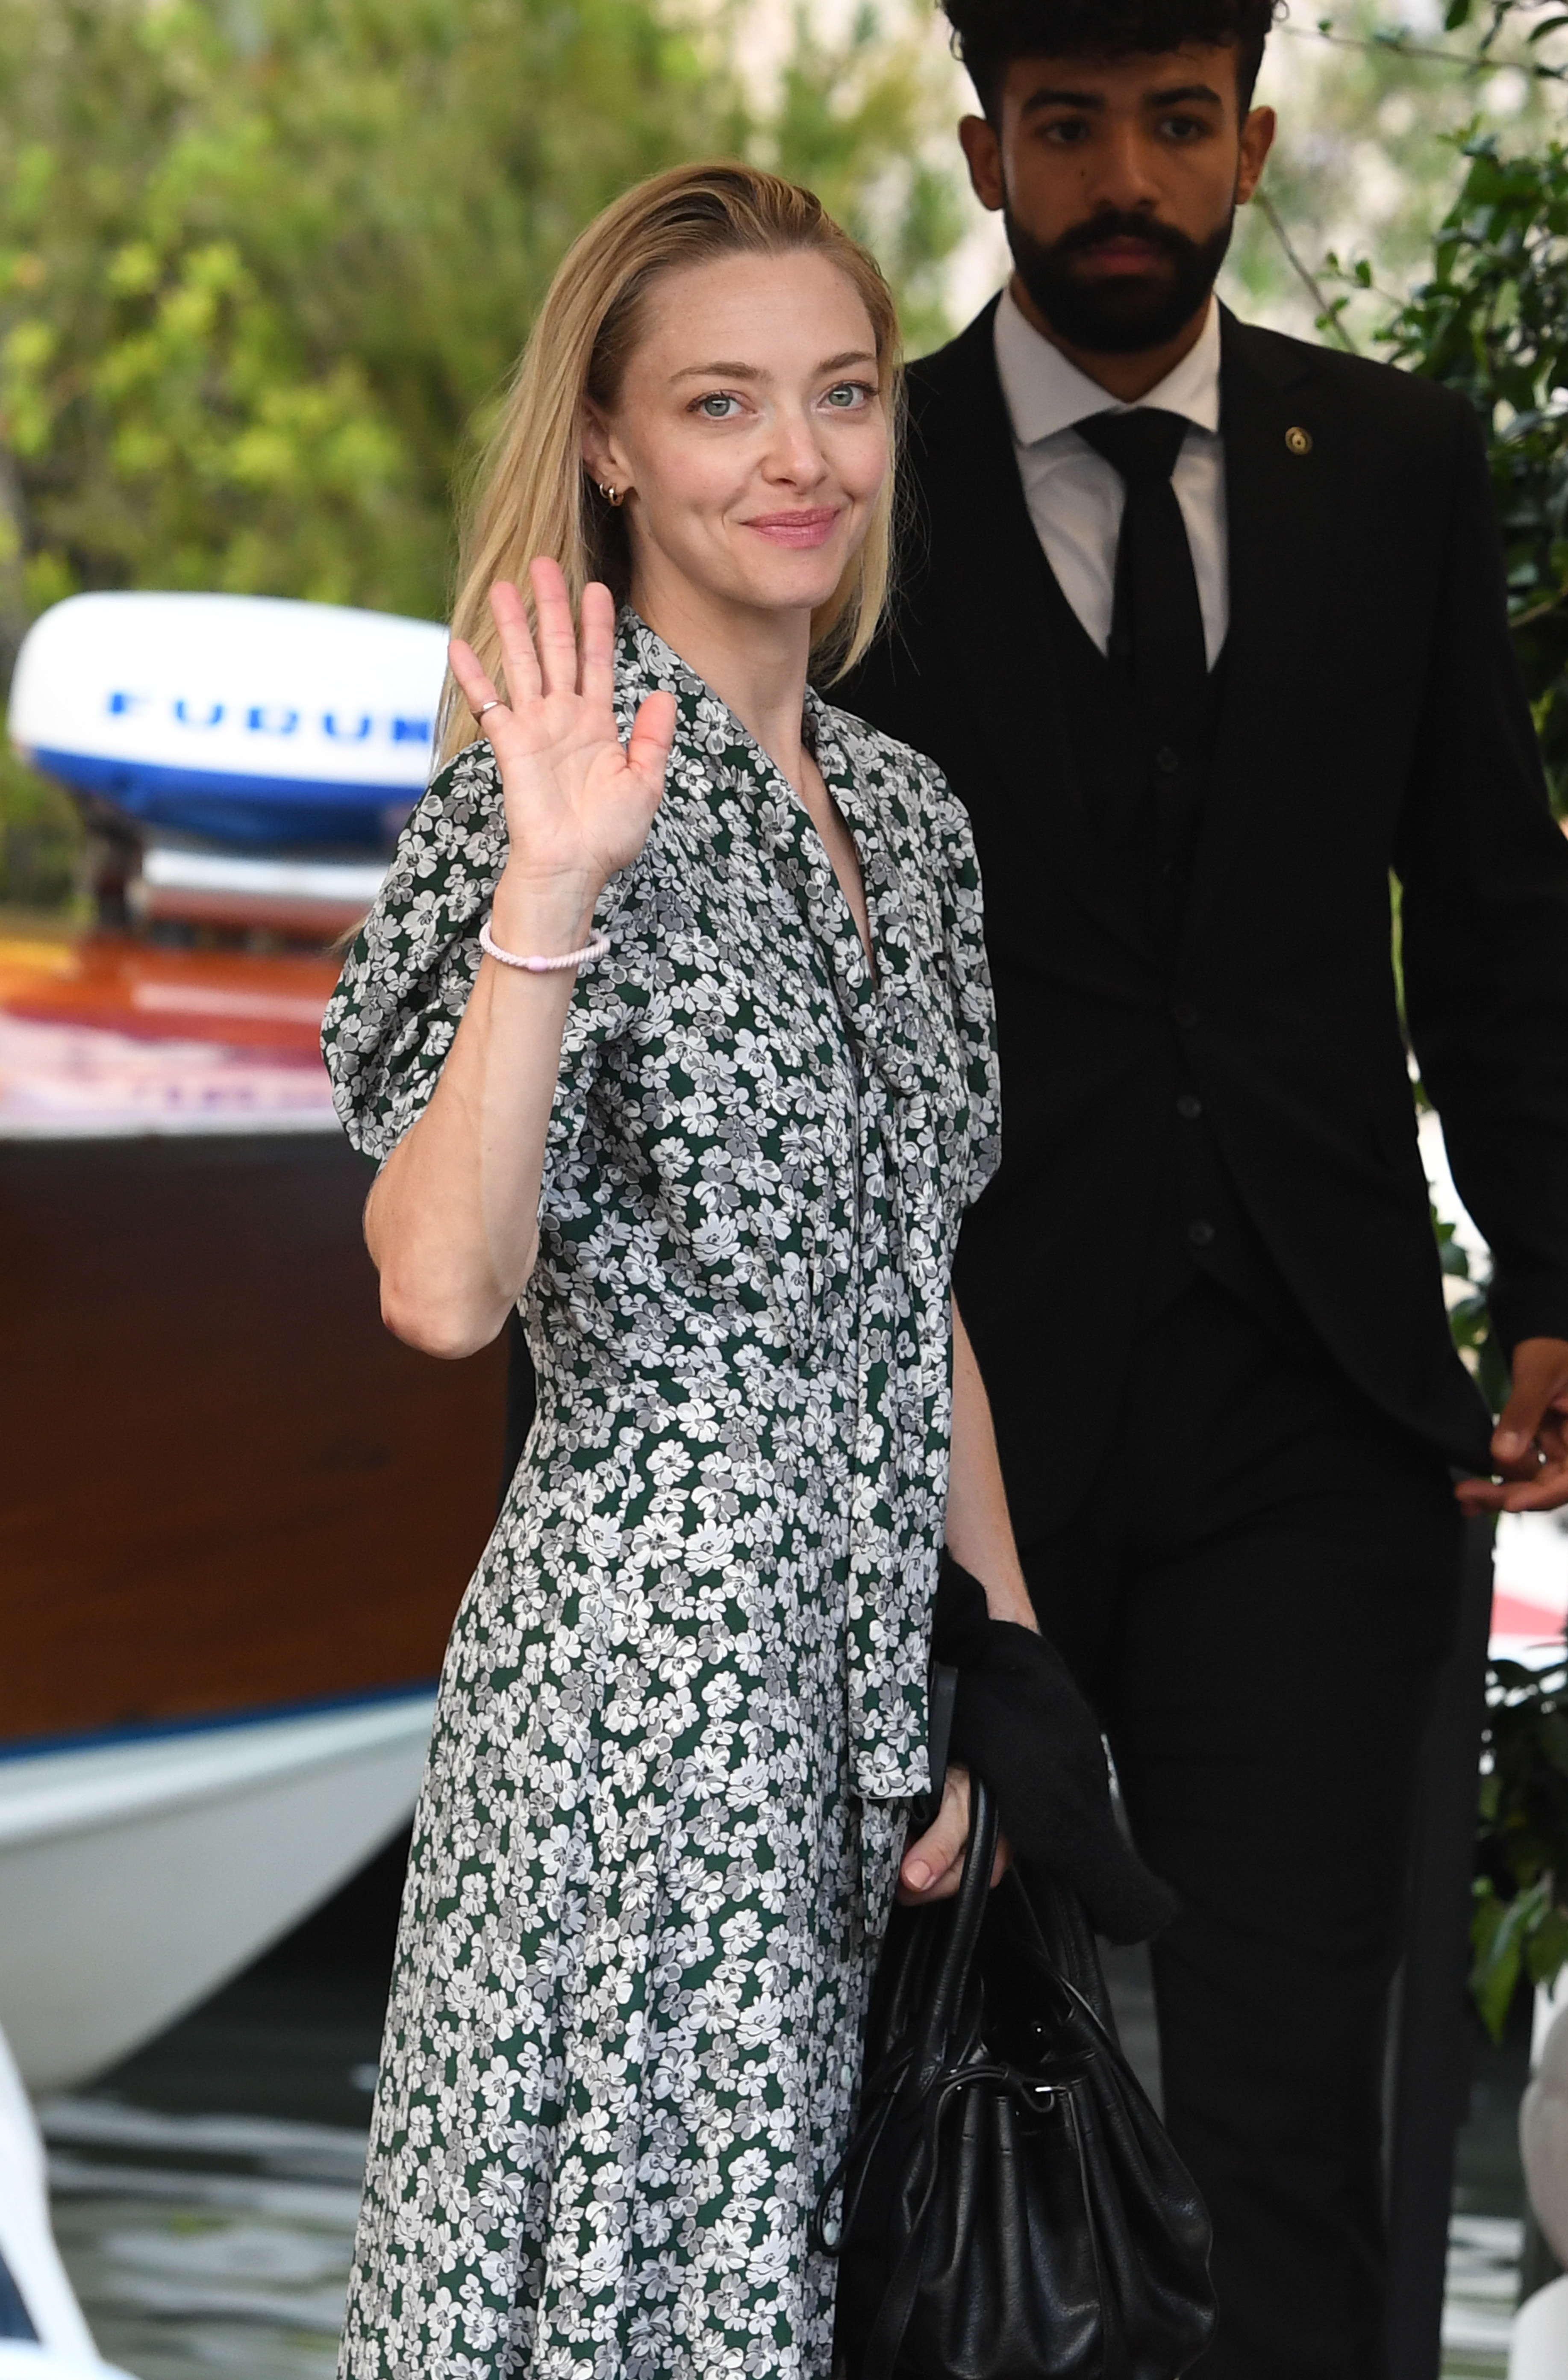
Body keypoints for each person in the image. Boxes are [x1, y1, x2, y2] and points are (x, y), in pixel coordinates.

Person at [835, 2, 1568, 2373]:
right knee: (920, 2061)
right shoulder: (862, 481)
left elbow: (1487, 909)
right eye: (1073, 132)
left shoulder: (1392, 463)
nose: (1128, 182)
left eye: (1177, 125)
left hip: (1316, 1397)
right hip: (967, 1417)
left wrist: (1561, 1272)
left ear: (1253, 136)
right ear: (986, 152)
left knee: (1298, 2086)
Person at [321, 161, 1042, 2380]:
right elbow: (441, 1290)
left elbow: (916, 1288)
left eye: (842, 393)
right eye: (723, 405)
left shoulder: (907, 814)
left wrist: (1008, 1678)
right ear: (614, 445)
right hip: (641, 1729)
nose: (801, 456)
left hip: (869, 1733)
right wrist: (555, 881)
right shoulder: (529, 796)